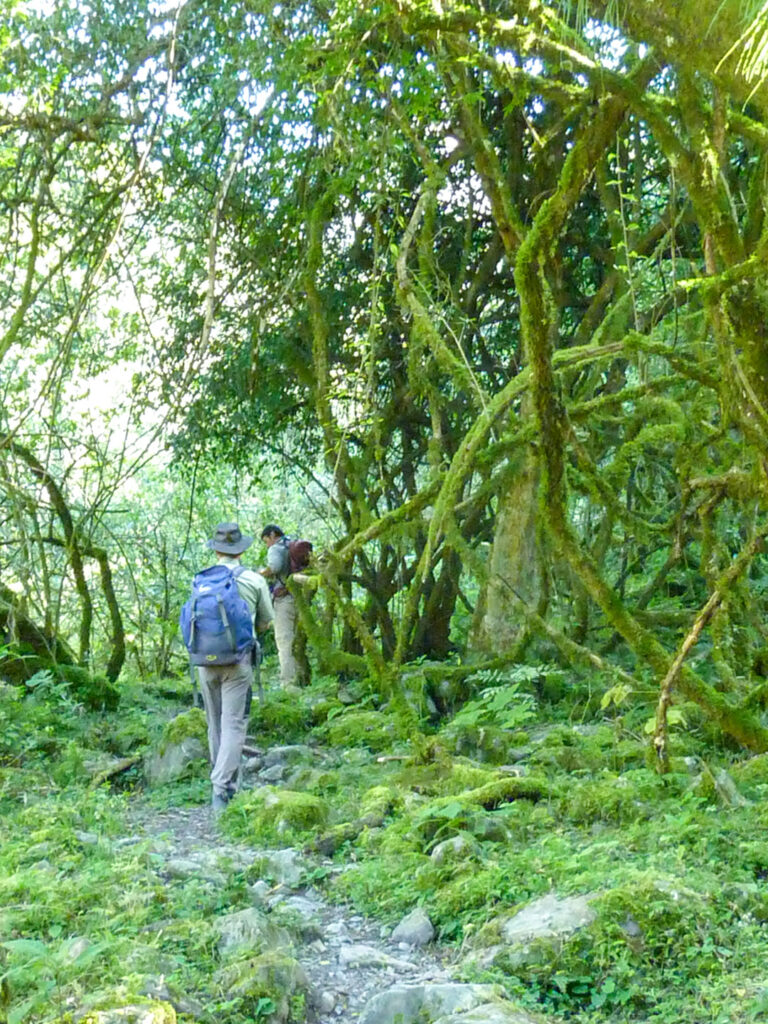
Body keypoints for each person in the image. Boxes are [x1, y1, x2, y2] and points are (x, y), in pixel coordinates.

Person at [197, 522, 273, 813]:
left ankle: (222, 783)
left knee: (214, 723)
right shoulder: (254, 580)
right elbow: (266, 621)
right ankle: (222, 788)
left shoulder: (201, 580)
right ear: (240, 551)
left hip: (205, 661)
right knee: (234, 723)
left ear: (216, 550)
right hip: (238, 661)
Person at [259, 523, 309, 689]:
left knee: (284, 641)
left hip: (284, 599)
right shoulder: (292, 544)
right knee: (296, 639)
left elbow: (274, 567)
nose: (267, 544)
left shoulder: (275, 549)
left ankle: (287, 683)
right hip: (301, 598)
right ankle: (300, 678)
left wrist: (259, 574)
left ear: (273, 535)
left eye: (266, 540)